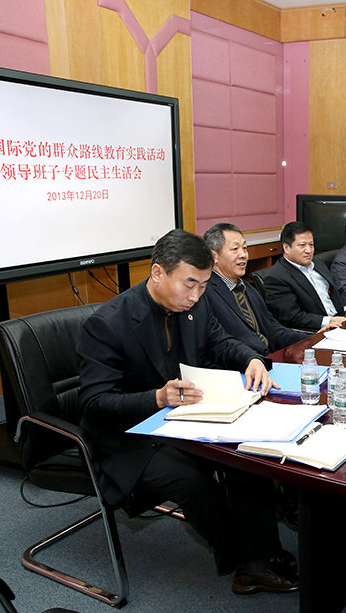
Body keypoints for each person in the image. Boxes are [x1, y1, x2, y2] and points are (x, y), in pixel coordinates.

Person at [76, 229, 298, 595]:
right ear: (158, 272)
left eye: (203, 286)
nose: (195, 296)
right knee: (193, 482)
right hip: (131, 436)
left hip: (184, 419)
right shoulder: (108, 324)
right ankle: (246, 562)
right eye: (189, 284)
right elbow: (94, 404)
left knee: (247, 457)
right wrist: (157, 398)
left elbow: (221, 342)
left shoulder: (194, 306)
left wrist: (252, 359)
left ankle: (261, 553)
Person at [202, 223, 308, 355]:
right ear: (214, 257)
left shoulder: (247, 288)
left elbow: (272, 329)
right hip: (244, 362)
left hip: (270, 358)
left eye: (244, 248)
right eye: (235, 249)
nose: (243, 255)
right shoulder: (205, 293)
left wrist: (313, 339)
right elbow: (219, 345)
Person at [263, 221, 346, 332]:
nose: (309, 250)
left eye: (311, 244)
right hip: (317, 330)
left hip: (342, 320)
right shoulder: (276, 278)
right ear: (286, 248)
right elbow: (292, 317)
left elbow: (339, 289)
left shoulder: (317, 263)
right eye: (302, 245)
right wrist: (330, 321)